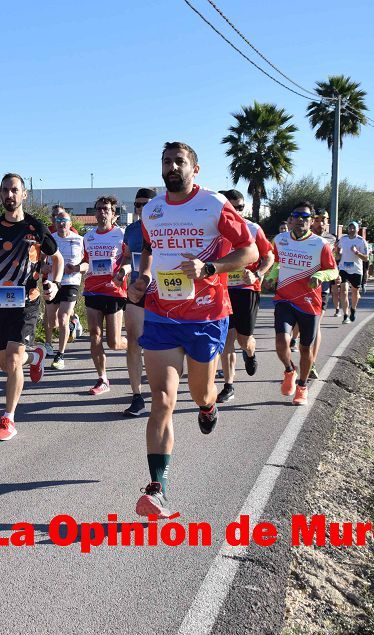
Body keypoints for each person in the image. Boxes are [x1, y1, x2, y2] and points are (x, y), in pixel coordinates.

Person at [128, 142, 257, 518]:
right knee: (162, 399)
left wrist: (211, 268)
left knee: (200, 392)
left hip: (205, 315)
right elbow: (149, 251)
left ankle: (208, 406)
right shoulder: (152, 210)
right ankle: (157, 489)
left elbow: (248, 252)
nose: (171, 167)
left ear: (194, 169)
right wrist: (142, 278)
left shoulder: (215, 205)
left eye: (178, 162)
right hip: (162, 314)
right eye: (165, 161)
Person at [0, 173, 61, 442]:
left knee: (11, 359)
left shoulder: (36, 227)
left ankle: (8, 418)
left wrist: (53, 283)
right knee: (5, 363)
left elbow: (57, 258)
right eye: (5, 190)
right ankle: (37, 358)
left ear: (24, 194)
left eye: (14, 190)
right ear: (0, 194)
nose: (10, 195)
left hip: (28, 300)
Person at [272, 201, 338, 407]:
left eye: (306, 217)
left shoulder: (320, 244)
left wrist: (320, 274)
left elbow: (333, 270)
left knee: (305, 349)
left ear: (311, 221)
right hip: (284, 298)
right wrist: (271, 275)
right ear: (291, 219)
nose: (301, 220)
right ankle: (290, 370)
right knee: (282, 342)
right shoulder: (280, 239)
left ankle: (302, 386)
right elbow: (275, 263)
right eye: (297, 216)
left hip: (309, 303)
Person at [215, 190, 274, 403]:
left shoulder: (252, 228)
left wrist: (257, 273)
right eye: (232, 207)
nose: (237, 211)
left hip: (247, 289)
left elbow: (269, 257)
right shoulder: (213, 228)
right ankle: (229, 385)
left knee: (243, 340)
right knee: (227, 339)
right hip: (222, 289)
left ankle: (250, 353)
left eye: (240, 207)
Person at [116, 187, 157, 416]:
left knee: (161, 345)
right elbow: (127, 258)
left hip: (163, 293)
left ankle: (162, 386)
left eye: (145, 204)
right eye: (137, 205)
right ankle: (137, 395)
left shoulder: (165, 227)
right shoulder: (131, 230)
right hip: (136, 292)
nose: (140, 209)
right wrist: (122, 271)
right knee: (133, 341)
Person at [82, 195, 128, 395]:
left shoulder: (121, 234)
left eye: (106, 209)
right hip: (93, 289)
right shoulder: (88, 237)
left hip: (114, 291)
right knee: (95, 335)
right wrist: (77, 267)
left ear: (113, 214)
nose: (101, 212)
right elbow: (86, 261)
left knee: (114, 342)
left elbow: (127, 260)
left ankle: (137, 344)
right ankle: (103, 378)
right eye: (99, 208)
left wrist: (124, 271)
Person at [44, 209, 85, 369]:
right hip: (53, 282)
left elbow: (87, 264)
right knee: (51, 320)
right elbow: (39, 261)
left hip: (71, 282)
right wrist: (44, 267)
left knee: (63, 317)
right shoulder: (49, 239)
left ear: (70, 224)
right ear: (54, 223)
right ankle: (72, 325)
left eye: (64, 221)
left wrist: (76, 268)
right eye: (58, 221)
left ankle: (60, 355)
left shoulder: (80, 240)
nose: (61, 224)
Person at [336, 221, 368, 324]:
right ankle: (345, 315)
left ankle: (353, 309)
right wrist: (338, 253)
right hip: (343, 268)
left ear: (358, 229)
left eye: (353, 228)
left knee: (355, 292)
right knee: (343, 290)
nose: (351, 229)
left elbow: (366, 258)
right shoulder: (343, 239)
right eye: (350, 228)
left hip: (356, 270)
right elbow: (338, 248)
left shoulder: (361, 241)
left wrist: (356, 252)